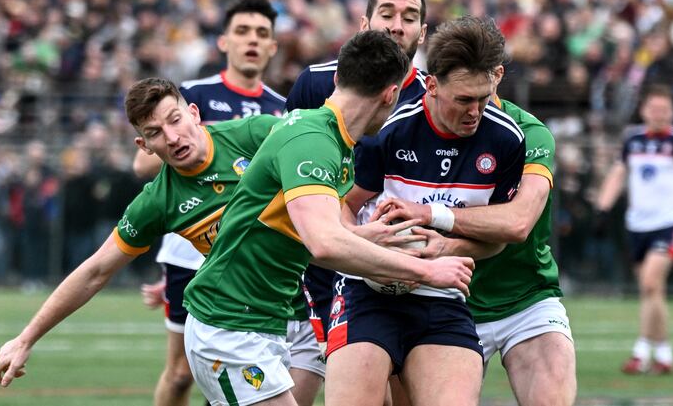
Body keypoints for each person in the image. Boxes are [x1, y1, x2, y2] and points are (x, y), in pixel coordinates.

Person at [182, 30, 475, 406]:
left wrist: (371, 235)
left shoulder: (337, 142)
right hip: (227, 325)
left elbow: (321, 230)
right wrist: (423, 271)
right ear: (391, 94)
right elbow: (324, 243)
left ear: (337, 78)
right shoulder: (314, 140)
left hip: (257, 323)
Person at [0, 77, 279, 389]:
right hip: (228, 325)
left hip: (287, 310)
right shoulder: (158, 202)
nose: (171, 137)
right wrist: (25, 339)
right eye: (154, 133)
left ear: (194, 113)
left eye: (175, 119)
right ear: (145, 146)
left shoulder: (253, 134)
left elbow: (322, 155)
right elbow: (96, 271)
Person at [325, 17, 526, 406]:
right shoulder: (388, 131)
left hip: (442, 297)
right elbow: (341, 207)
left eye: (484, 98)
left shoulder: (505, 140)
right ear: (431, 85)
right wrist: (372, 248)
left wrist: (443, 250)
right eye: (464, 100)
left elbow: (496, 242)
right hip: (367, 292)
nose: (476, 111)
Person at [134, 0, 324, 406]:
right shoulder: (193, 97)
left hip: (252, 254)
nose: (251, 41)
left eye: (262, 34)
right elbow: (143, 166)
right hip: (191, 248)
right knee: (183, 372)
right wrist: (200, 147)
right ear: (223, 42)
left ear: (273, 46)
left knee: (251, 372)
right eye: (242, 31)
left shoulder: (279, 107)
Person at [371, 87, 577, 404]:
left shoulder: (529, 133)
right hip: (438, 303)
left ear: (496, 74)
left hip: (523, 299)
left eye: (483, 84)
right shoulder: (405, 127)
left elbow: (517, 222)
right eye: (464, 95)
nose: (474, 107)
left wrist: (433, 219)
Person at [286, 0, 428, 360]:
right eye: (387, 13)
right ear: (364, 24)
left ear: (422, 32)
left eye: (409, 17)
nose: (397, 25)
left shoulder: (436, 99)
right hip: (320, 266)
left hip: (405, 268)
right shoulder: (315, 84)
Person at [594, 84, 673, 374]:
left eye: (665, 109)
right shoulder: (632, 139)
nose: (660, 115)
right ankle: (664, 353)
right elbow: (618, 174)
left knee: (649, 283)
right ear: (644, 110)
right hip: (637, 225)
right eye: (654, 109)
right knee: (653, 292)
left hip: (669, 223)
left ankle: (641, 352)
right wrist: (602, 208)